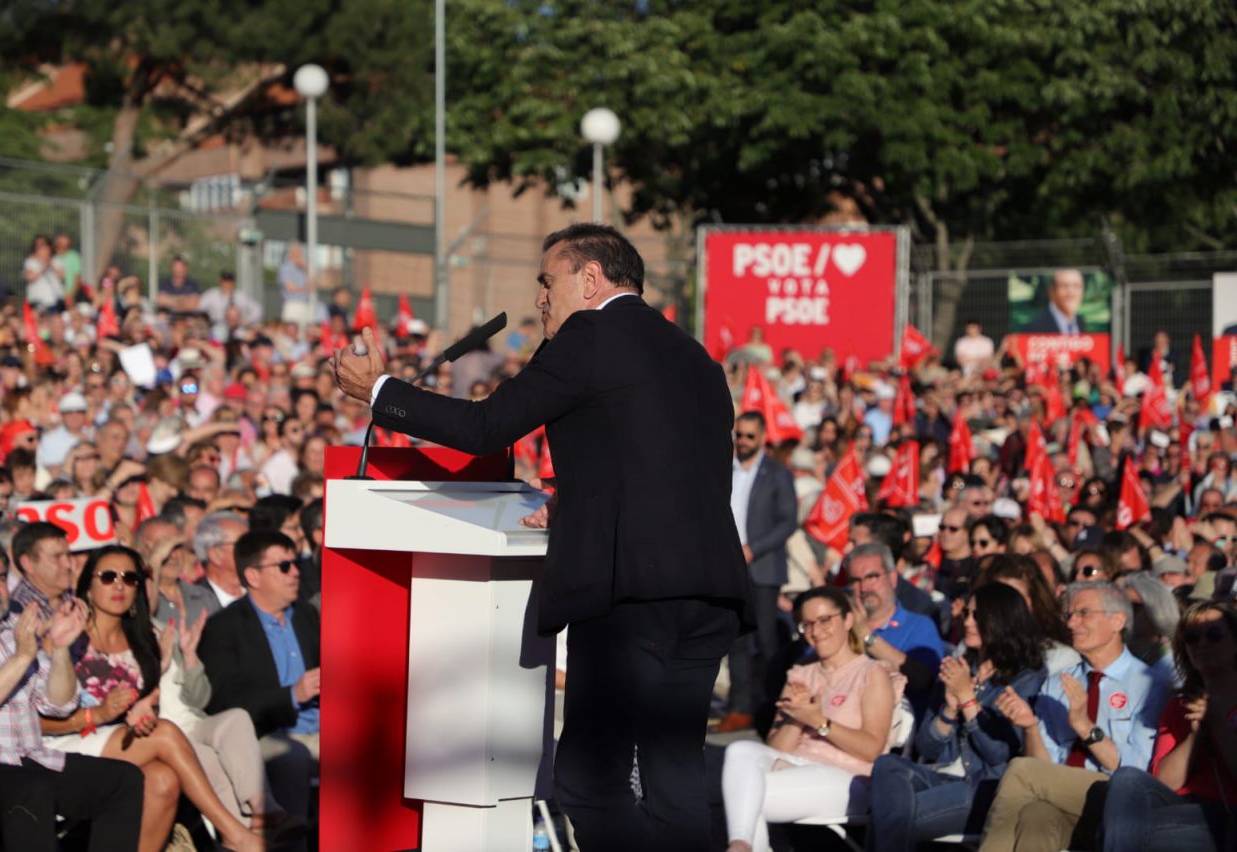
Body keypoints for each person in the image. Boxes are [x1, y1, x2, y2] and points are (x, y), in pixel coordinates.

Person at [332, 223, 752, 850]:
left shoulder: (588, 335)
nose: (540, 298)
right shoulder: (692, 352)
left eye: (546, 281)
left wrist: (380, 392)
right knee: (674, 781)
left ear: (590, 278)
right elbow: (672, 469)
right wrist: (579, 504)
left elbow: (487, 427)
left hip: (630, 601)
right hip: (707, 594)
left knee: (587, 781)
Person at [39, 545, 262, 852]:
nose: (119, 584)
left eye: (130, 578)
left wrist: (146, 710)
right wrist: (98, 715)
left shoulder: (145, 639)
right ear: (88, 586)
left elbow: (147, 708)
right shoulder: (65, 635)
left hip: (117, 744)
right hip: (63, 745)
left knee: (163, 780)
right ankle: (233, 832)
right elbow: (33, 720)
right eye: (107, 576)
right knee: (166, 733)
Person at [0, 534, 145, 850]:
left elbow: (57, 704)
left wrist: (59, 651)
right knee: (31, 790)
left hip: (30, 757)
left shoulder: (14, 626)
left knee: (123, 780)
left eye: (1, 578)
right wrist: (21, 658)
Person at [980, 581, 1174, 852]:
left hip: (1119, 797)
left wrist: (1085, 726)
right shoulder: (1059, 683)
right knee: (1036, 816)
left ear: (1117, 620)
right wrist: (1031, 728)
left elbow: (1135, 770)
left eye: (1084, 613)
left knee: (1021, 771)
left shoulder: (1147, 684)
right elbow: (1043, 767)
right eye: (1069, 615)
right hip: (1065, 797)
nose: (1072, 624)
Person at [867, 583, 1048, 850]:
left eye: (977, 615)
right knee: (887, 766)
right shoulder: (959, 665)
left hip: (987, 787)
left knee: (887, 819)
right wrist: (949, 711)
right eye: (966, 614)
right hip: (941, 776)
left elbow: (998, 752)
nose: (967, 622)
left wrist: (967, 699)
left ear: (1000, 619)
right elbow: (926, 746)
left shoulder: (1027, 676)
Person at [722, 587, 901, 852]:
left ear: (848, 620)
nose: (816, 632)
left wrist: (820, 721)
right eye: (807, 625)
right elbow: (775, 750)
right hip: (796, 766)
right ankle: (741, 845)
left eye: (825, 620)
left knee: (746, 800)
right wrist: (797, 719)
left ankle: (740, 845)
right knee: (740, 750)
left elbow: (872, 749)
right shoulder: (800, 674)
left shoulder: (872, 673)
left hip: (850, 779)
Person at [198, 529, 320, 831]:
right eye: (283, 566)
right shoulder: (223, 628)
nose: (295, 573)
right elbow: (225, 702)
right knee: (293, 758)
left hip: (323, 726)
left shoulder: (306, 615)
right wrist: (292, 695)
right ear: (252, 576)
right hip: (265, 734)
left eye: (296, 565)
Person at [1099, 600, 1237, 851]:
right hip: (1184, 809)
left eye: (1214, 634)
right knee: (1127, 779)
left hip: (1228, 814)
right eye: (1192, 637)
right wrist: (1196, 736)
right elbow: (1165, 782)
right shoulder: (1179, 705)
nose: (1203, 644)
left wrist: (1217, 723)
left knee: (1124, 828)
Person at [716, 410, 798, 733]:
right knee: (735, 639)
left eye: (751, 435)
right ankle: (739, 709)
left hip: (762, 568)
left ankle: (771, 707)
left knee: (765, 640)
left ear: (763, 437)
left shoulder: (777, 473)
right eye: (740, 435)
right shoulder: (725, 470)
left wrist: (754, 548)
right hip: (728, 566)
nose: (744, 441)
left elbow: (788, 521)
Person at [846, 542, 943, 711]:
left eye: (872, 577)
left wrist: (868, 638)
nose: (864, 588)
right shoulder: (839, 626)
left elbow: (922, 679)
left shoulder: (919, 625)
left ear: (893, 578)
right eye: (855, 580)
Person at [1023, 269, 1086, 334]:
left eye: (1077, 286)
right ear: (1051, 292)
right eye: (1064, 286)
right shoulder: (1033, 328)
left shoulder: (1080, 322)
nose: (1071, 293)